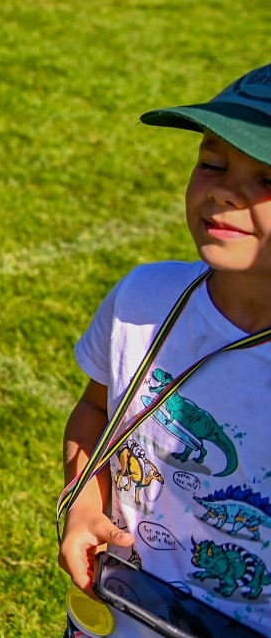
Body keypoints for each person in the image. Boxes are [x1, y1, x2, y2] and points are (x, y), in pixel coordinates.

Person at [58, 64, 271, 638]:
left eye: (267, 179)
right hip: (120, 611)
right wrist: (83, 505)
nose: (223, 189)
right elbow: (96, 414)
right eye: (212, 163)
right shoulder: (142, 298)